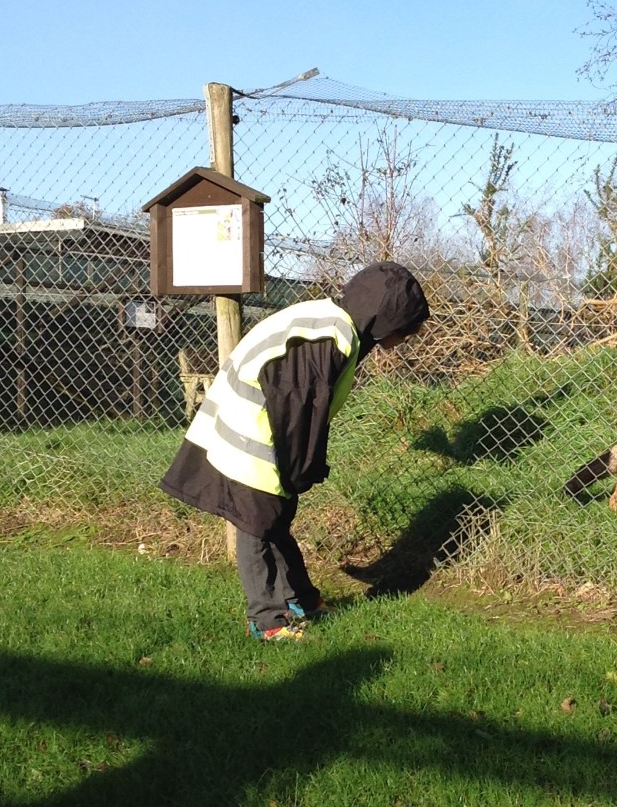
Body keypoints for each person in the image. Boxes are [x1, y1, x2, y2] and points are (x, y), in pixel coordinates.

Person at [160, 261, 430, 641]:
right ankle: (267, 621)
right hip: (251, 437)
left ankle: (301, 599)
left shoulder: (334, 324)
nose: (406, 338)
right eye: (406, 329)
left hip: (257, 432)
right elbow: (295, 408)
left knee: (275, 520)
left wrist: (299, 469)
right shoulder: (330, 337)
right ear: (387, 317)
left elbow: (305, 405)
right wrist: (299, 467)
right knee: (256, 527)